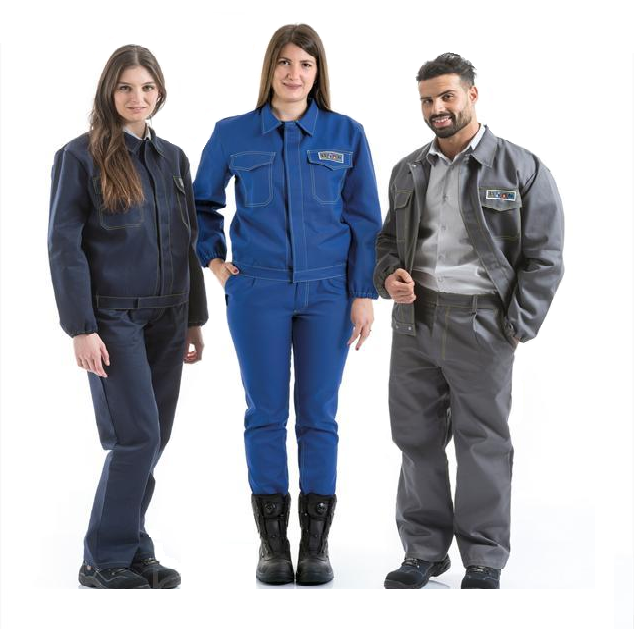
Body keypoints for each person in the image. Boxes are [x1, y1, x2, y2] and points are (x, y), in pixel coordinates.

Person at [194, 24, 382, 586]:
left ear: (318, 72)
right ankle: (273, 545)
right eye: (284, 62)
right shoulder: (233, 133)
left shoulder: (346, 133)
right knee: (265, 413)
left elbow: (365, 219)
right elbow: (201, 205)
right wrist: (215, 262)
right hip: (258, 292)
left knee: (319, 415)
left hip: (329, 294)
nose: (294, 73)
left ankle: (316, 545)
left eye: (305, 63)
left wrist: (363, 293)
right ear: (269, 69)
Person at [374, 53, 564, 589]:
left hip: (484, 321)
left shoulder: (521, 167)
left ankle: (484, 556)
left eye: (447, 96)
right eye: (427, 100)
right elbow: (387, 242)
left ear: (472, 95)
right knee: (415, 437)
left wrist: (517, 324)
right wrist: (388, 276)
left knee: (482, 441)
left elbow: (545, 255)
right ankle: (424, 552)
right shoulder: (409, 169)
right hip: (415, 320)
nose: (437, 108)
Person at [48, 44, 208, 589]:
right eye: (125, 87)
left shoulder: (173, 159)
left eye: (146, 87)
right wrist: (81, 327)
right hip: (113, 319)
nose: (137, 98)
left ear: (159, 91)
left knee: (154, 437)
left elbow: (187, 241)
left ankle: (135, 549)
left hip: (169, 316)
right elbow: (64, 246)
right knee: (135, 436)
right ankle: (102, 557)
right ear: (108, 92)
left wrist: (194, 318)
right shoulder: (80, 156)